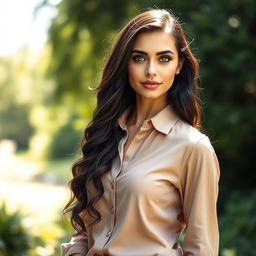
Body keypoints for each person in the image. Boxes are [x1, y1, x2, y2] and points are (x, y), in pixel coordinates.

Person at [61, 8, 220, 256]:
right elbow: (86, 231)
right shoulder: (105, 134)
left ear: (179, 65)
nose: (151, 71)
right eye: (139, 58)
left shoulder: (193, 147)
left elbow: (202, 248)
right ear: (125, 63)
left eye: (164, 58)